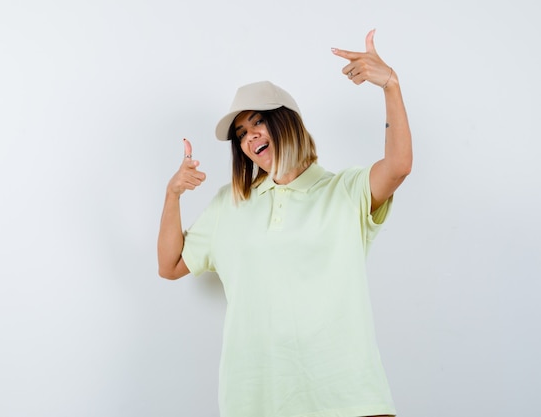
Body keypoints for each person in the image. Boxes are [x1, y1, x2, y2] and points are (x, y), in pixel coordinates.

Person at [157, 29, 412, 417]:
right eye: (241, 133)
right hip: (255, 403)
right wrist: (172, 195)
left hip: (348, 400)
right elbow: (170, 265)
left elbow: (398, 167)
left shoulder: (343, 191)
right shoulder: (231, 204)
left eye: (258, 122)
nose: (249, 137)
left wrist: (390, 86)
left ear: (287, 123)